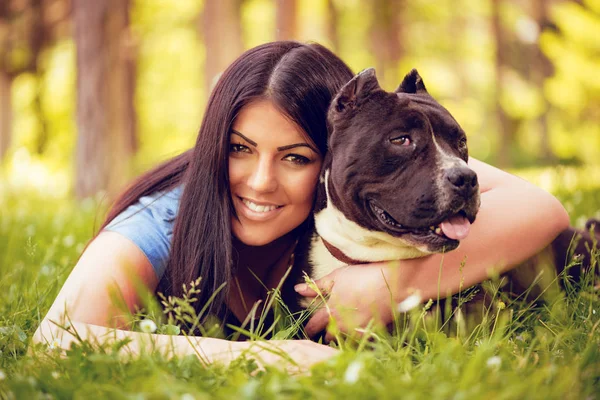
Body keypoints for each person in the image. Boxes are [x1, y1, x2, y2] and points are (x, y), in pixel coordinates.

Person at [33, 41, 570, 371]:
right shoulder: (167, 218)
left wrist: (394, 287)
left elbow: (540, 207)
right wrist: (268, 356)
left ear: (337, 153)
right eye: (239, 149)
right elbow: (55, 339)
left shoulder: (374, 173)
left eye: (295, 157)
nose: (260, 182)